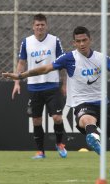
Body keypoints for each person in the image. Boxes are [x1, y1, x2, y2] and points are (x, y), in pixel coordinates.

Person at [3, 26, 110, 179]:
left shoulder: (101, 58)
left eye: (84, 40)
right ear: (74, 43)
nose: (82, 44)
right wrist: (21, 75)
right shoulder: (69, 58)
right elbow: (45, 68)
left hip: (103, 103)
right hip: (81, 103)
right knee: (87, 119)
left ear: (90, 40)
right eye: (78, 41)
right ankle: (94, 137)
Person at [12, 13, 67, 159]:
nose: (40, 27)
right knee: (36, 120)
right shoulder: (26, 42)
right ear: (33, 26)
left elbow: (63, 63)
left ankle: (59, 144)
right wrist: (17, 82)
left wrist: (64, 84)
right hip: (34, 87)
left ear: (46, 26)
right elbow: (21, 63)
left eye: (42, 25)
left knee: (57, 118)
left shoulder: (55, 41)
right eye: (37, 25)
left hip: (52, 86)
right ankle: (40, 152)